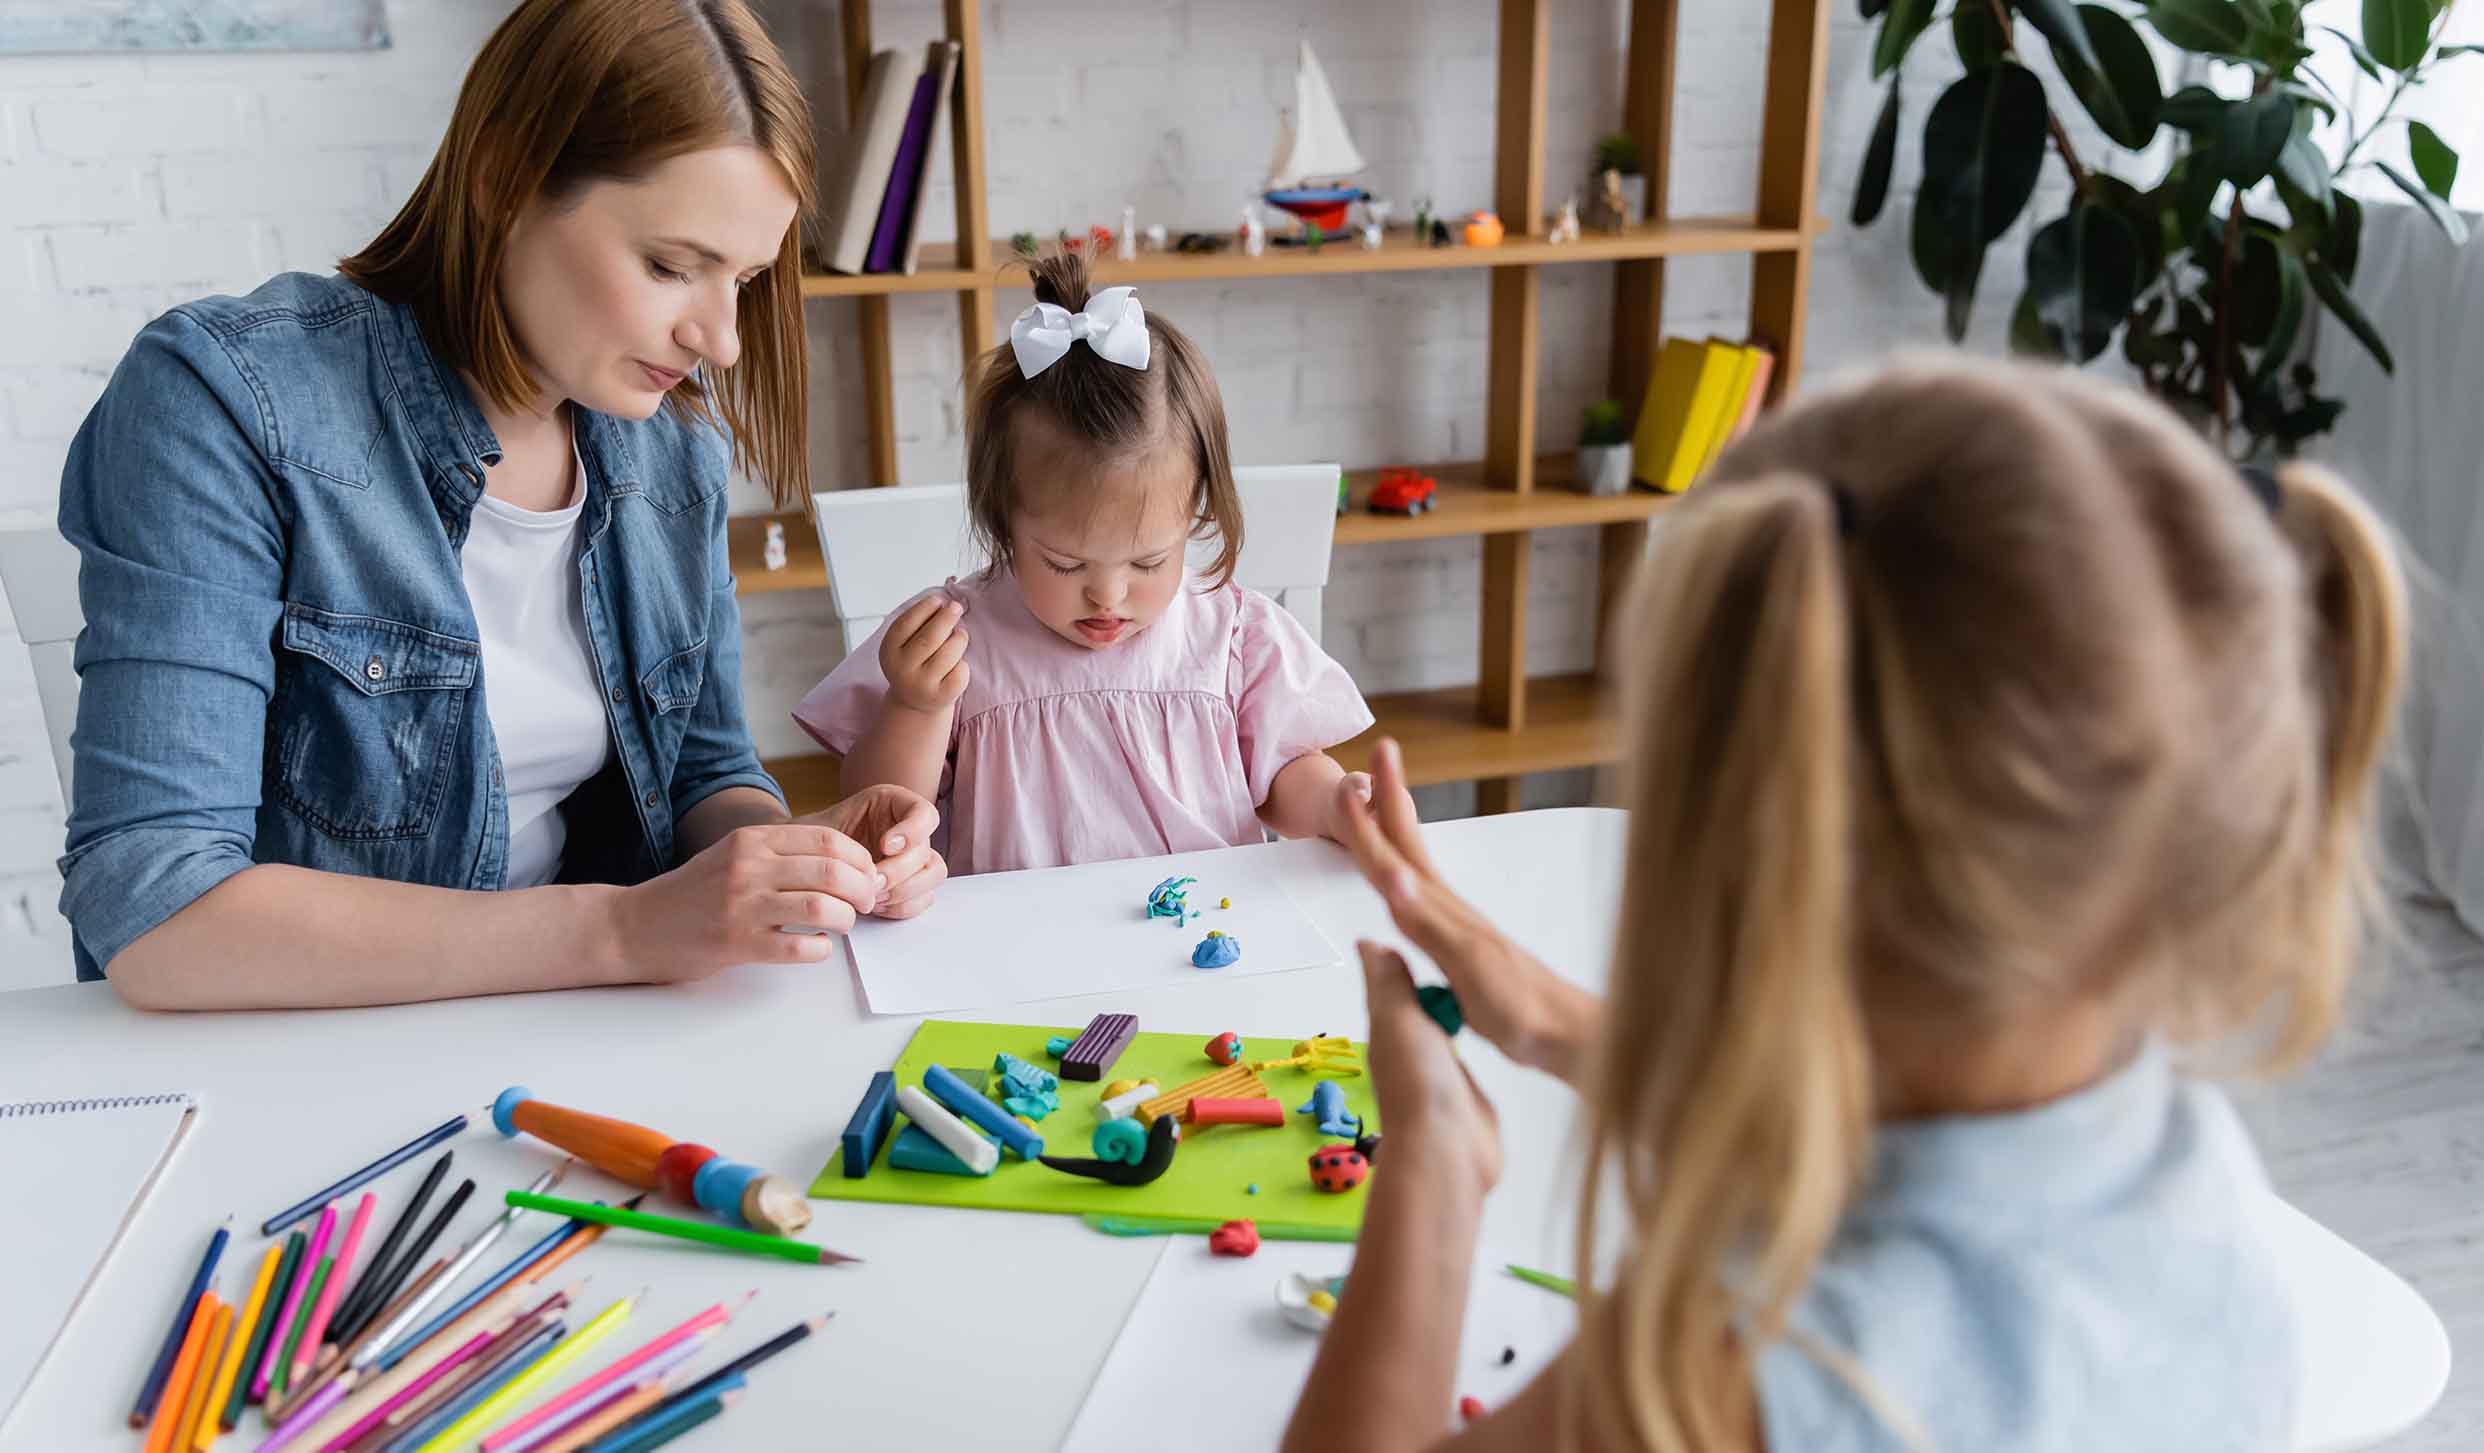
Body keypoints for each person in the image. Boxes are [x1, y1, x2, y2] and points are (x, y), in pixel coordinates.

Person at [1296, 358, 2407, 1452]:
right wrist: (1544, 1018)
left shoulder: (1753, 1378)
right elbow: (1896, 1152)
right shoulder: (2185, 1176)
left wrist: (1434, 1169)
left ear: (1739, 868)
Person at [55, 0, 942, 1010]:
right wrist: (623, 927)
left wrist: (791, 857)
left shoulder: (668, 447)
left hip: (565, 1035)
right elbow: (159, 909)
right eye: (668, 265)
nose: (722, 340)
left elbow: (705, 770)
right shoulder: (227, 403)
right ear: (502, 181)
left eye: (742, 277)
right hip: (292, 1066)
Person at [792, 251, 1376, 874]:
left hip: (1201, 940)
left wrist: (1337, 804)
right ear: (1004, 521)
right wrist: (916, 707)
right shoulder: (953, 642)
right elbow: (882, 815)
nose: (1108, 595)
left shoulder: (1232, 636)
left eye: (1150, 561)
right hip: (1018, 951)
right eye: (1067, 565)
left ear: (1194, 516)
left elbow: (1284, 779)